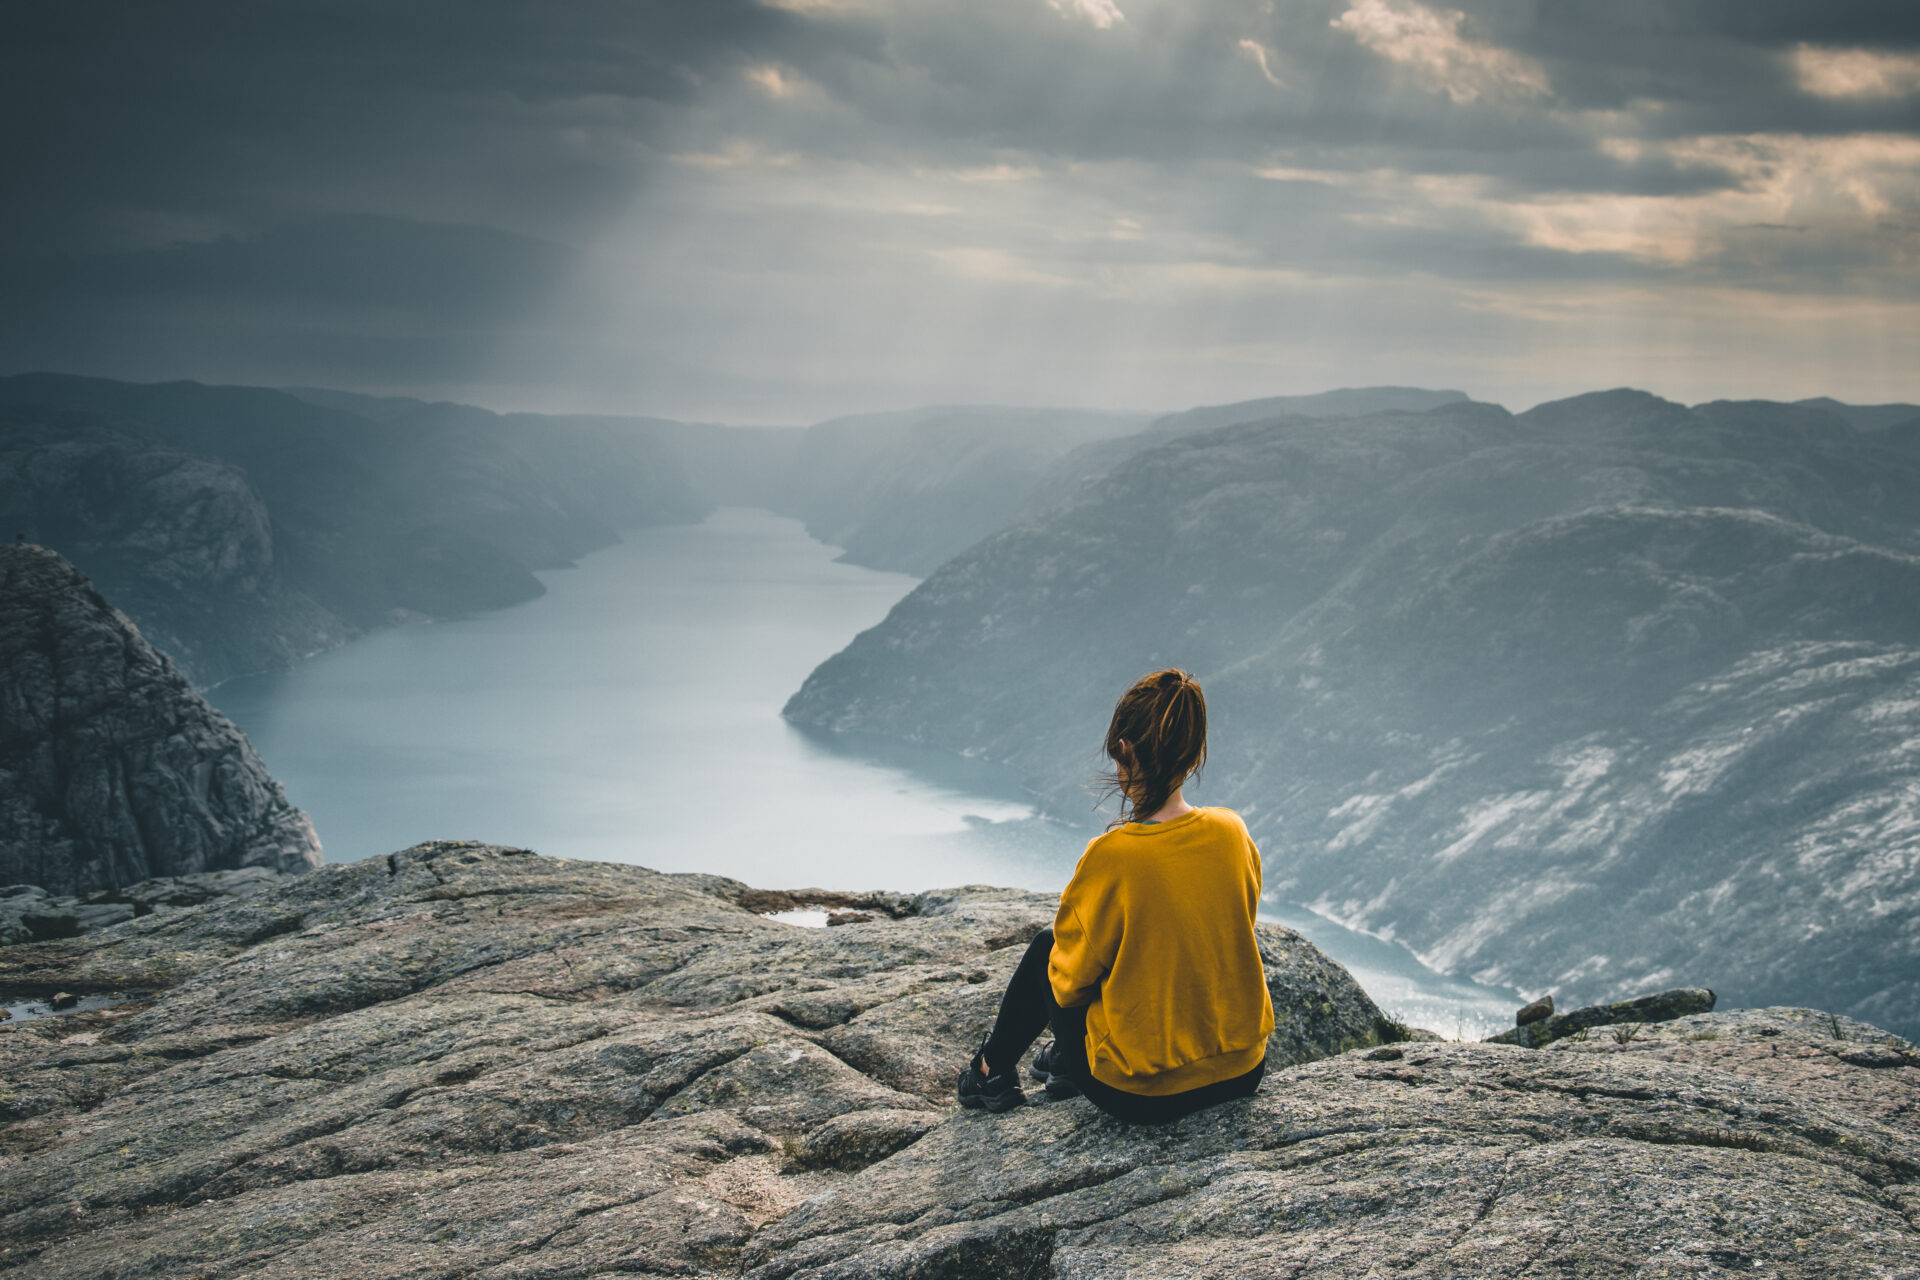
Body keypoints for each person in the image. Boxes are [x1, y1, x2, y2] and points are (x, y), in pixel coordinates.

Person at [957, 667, 1274, 1123]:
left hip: (1143, 1093)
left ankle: (991, 1070)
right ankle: (1063, 1062)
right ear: (1193, 751)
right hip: (1242, 1070)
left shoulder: (1113, 857)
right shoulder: (1232, 832)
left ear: (1124, 750)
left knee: (1051, 947)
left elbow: (1068, 985)